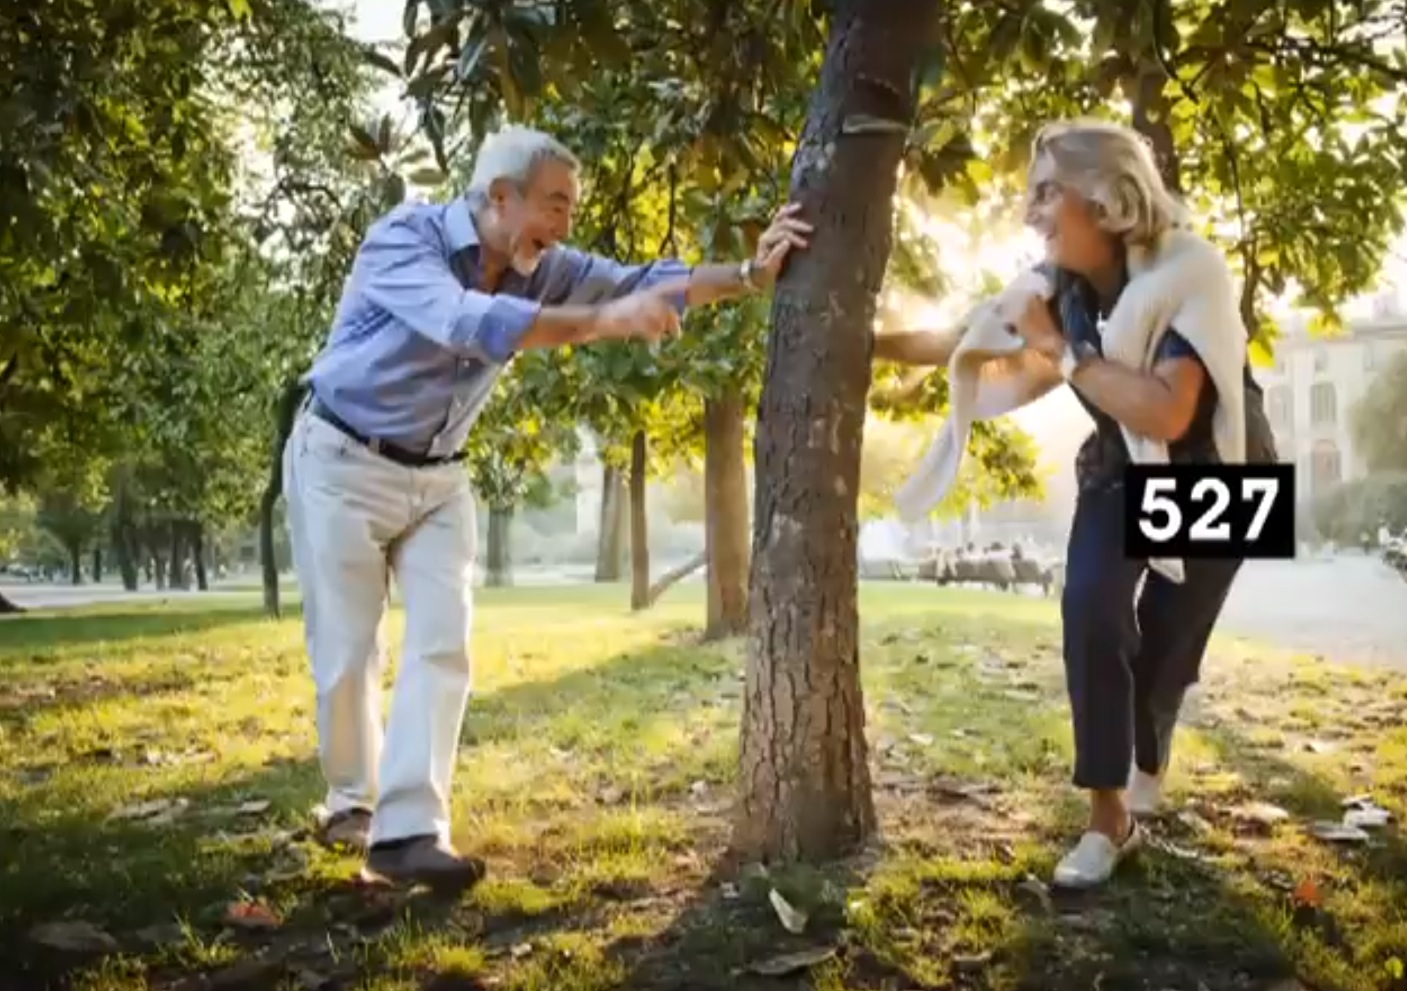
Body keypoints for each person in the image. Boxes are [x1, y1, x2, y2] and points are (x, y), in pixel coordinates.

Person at [284, 124, 811, 889]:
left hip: (438, 474)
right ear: (499, 197)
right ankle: (349, 801)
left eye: (569, 209)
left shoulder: (544, 266)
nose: (565, 227)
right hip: (341, 455)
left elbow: (641, 278)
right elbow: (468, 321)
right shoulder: (405, 239)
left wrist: (749, 273)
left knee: (442, 641)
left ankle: (406, 832)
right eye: (554, 205)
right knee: (346, 653)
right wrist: (600, 324)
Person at [875, 119, 1275, 889]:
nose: (1031, 209)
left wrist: (1060, 350)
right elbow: (963, 335)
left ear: (1105, 195)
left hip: (1220, 473)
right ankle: (1108, 819)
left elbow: (1164, 412)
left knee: (1163, 652)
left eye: (1047, 191)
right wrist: (853, 340)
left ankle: (1150, 742)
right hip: (1121, 468)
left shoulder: (1189, 270)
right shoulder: (1051, 285)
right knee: (1091, 609)